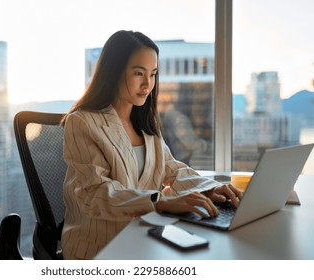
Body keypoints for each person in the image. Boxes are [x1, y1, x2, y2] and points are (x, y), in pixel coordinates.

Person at [60, 30, 242, 260]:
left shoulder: (145, 121)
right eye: (138, 73)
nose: (147, 84)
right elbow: (94, 193)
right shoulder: (82, 121)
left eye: (153, 74)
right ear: (114, 72)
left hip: (145, 238)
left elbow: (169, 167)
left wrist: (209, 187)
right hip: (100, 247)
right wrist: (160, 202)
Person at [158, 91, 211, 163]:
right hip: (181, 160)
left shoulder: (168, 116)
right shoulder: (178, 118)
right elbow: (191, 144)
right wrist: (209, 146)